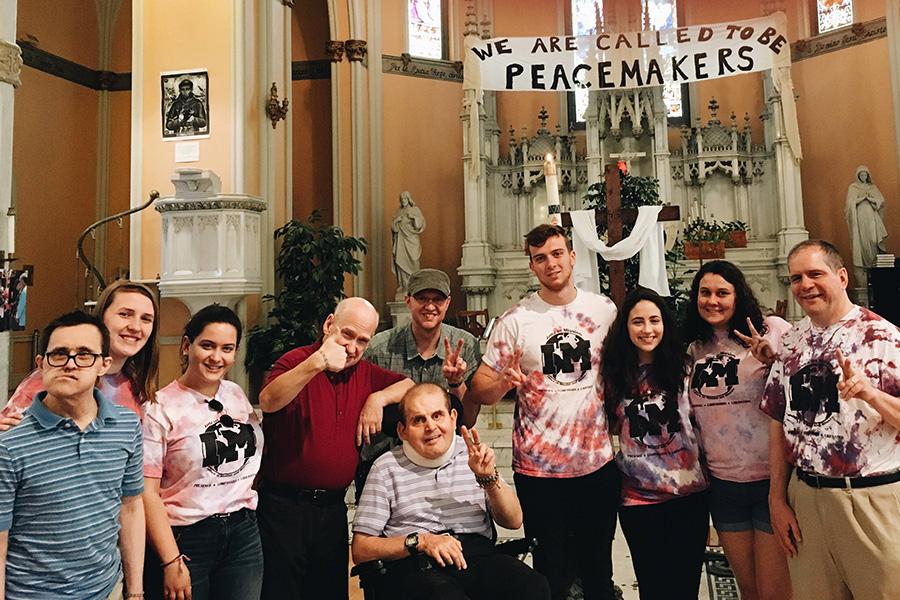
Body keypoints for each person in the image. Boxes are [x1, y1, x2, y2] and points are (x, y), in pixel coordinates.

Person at [467, 224, 620, 600]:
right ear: (531, 266)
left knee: (599, 569)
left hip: (596, 465)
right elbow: (479, 390)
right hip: (540, 471)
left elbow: (624, 369)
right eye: (540, 258)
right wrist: (505, 380)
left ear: (571, 257)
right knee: (551, 574)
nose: (550, 263)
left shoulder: (603, 311)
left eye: (556, 254)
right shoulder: (516, 321)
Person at [759, 240, 900, 600]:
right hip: (806, 499)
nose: (805, 285)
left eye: (815, 274)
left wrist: (871, 394)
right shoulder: (792, 341)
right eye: (796, 278)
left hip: (870, 499)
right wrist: (777, 498)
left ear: (841, 276)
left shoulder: (883, 337)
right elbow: (777, 418)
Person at [257, 297, 415, 600]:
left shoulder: (365, 373)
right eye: (347, 334)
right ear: (329, 324)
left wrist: (377, 399)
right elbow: (269, 400)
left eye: (362, 340)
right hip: (283, 508)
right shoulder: (296, 359)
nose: (352, 347)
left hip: (331, 510)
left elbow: (408, 384)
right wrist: (316, 363)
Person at [351, 383, 550, 600]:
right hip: (416, 565)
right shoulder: (385, 468)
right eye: (419, 420)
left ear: (453, 418)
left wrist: (488, 479)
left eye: (437, 415)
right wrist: (421, 541)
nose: (430, 427)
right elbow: (361, 549)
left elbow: (513, 521)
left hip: (477, 556)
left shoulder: (471, 454)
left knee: (532, 586)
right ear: (402, 430)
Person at [0, 311, 145, 599]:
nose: (69, 364)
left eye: (84, 355)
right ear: (41, 364)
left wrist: (136, 591)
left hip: (107, 589)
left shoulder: (127, 426)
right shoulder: (10, 444)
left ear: (103, 365)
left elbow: (130, 508)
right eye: (59, 354)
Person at [683, 261, 792, 600]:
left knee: (775, 592)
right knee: (749, 590)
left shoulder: (771, 328)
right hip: (724, 485)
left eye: (722, 293)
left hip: (771, 481)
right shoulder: (691, 347)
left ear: (737, 295)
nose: (712, 301)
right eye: (705, 293)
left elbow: (803, 382)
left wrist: (775, 359)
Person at [142, 305, 263, 600]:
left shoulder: (235, 394)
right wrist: (171, 559)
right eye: (207, 345)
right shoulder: (160, 408)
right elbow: (148, 492)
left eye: (227, 348)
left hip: (243, 533)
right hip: (187, 537)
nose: (216, 357)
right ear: (187, 345)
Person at [601, 288, 708, 600]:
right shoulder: (613, 376)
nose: (647, 329)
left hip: (688, 493)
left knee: (685, 585)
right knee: (652, 586)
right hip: (638, 498)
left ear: (665, 323)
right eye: (638, 322)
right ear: (626, 327)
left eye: (654, 320)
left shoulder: (686, 367)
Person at [1, 279, 160, 430]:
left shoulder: (136, 381)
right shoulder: (57, 376)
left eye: (146, 319)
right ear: (101, 317)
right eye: (125, 314)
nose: (135, 327)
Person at [366, 268, 482, 429]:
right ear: (408, 301)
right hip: (389, 447)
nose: (430, 306)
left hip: (442, 447)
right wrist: (377, 398)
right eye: (422, 299)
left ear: (447, 303)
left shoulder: (466, 346)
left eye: (438, 300)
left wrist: (456, 382)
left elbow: (468, 421)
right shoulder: (379, 348)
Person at [844, 166, 888, 286]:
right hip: (860, 219)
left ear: (868, 176)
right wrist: (860, 199)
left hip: (871, 218)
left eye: (865, 175)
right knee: (863, 244)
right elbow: (849, 205)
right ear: (858, 175)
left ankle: (875, 266)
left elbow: (881, 201)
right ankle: (865, 271)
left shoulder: (872, 187)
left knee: (874, 240)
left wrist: (870, 198)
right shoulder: (853, 187)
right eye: (861, 175)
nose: (863, 177)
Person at [391, 192, 426, 294]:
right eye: (401, 199)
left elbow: (420, 225)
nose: (403, 200)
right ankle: (404, 286)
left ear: (409, 199)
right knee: (401, 262)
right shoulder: (399, 212)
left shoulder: (415, 210)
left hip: (412, 240)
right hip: (401, 241)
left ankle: (414, 285)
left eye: (405, 198)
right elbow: (394, 229)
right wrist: (396, 221)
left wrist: (415, 218)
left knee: (414, 261)